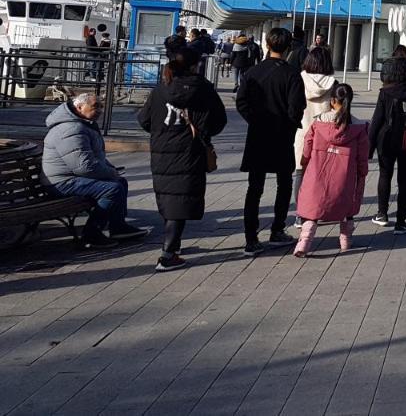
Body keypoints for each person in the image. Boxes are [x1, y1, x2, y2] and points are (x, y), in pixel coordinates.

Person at [137, 46, 226, 272]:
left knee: (169, 197)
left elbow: (144, 119)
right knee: (181, 198)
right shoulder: (203, 89)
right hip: (190, 150)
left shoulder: (161, 87)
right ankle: (168, 253)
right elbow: (218, 121)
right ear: (196, 65)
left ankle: (171, 247)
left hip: (162, 149)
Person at [42, 92, 148, 248]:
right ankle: (91, 233)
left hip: (72, 177)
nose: (99, 110)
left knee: (120, 182)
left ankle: (118, 227)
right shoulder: (70, 129)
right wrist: (109, 173)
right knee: (112, 189)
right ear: (79, 107)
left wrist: (110, 170)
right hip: (60, 182)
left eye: (101, 106)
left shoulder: (82, 124)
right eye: (95, 106)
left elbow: (93, 159)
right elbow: (84, 166)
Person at [235, 26, 305, 256]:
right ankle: (277, 230)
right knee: (283, 184)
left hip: (257, 135)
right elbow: (297, 108)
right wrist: (289, 124)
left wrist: (254, 120)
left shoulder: (253, 72)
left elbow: (241, 102)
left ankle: (250, 238)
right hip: (282, 136)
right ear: (287, 48)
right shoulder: (292, 74)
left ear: (267, 44)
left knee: (254, 187)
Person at [294, 83, 369, 256]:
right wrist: (362, 172)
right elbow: (362, 156)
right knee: (346, 208)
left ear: (333, 101)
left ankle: (304, 242)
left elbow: (307, 145)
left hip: (318, 171)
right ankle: (346, 241)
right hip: (345, 175)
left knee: (313, 209)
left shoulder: (319, 122)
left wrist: (305, 161)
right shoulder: (358, 127)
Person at [368, 56, 406, 232]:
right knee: (405, 180)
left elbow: (377, 120)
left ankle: (382, 214)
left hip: (386, 139)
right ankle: (401, 222)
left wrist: (368, 148)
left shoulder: (385, 92)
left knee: (385, 175)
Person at [293, 45, 336, 223]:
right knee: (322, 174)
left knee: (300, 173)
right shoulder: (333, 84)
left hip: (302, 131)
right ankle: (318, 211)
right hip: (325, 133)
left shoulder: (298, 79)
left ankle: (299, 214)